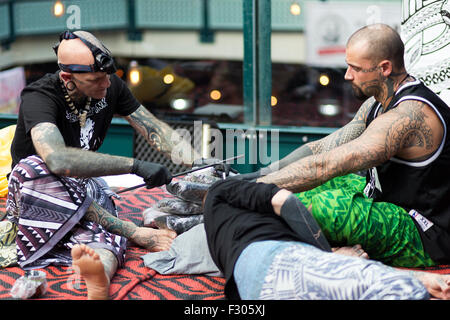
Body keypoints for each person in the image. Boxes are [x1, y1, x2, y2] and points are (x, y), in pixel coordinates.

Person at [5, 30, 209, 297]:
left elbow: (153, 129)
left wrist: (199, 162)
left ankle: (99, 278)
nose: (106, 85)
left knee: (105, 238)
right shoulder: (39, 95)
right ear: (68, 78)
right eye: (96, 79)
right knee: (34, 167)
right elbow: (57, 158)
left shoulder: (109, 84)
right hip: (37, 194)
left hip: (83, 189)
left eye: (108, 77)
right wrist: (135, 165)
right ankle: (132, 233)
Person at [238, 23, 450, 269]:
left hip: (424, 232)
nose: (348, 75)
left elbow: (326, 165)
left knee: (313, 206)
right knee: (294, 190)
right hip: (385, 199)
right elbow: (322, 149)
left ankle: (330, 252)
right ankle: (333, 249)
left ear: (384, 68)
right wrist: (259, 175)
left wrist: (246, 191)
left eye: (356, 68)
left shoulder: (410, 115)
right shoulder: (377, 104)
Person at [203, 178, 450, 300]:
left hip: (249, 291)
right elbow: (286, 202)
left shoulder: (216, 236)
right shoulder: (221, 190)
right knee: (401, 290)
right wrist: (327, 253)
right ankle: (424, 280)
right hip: (280, 260)